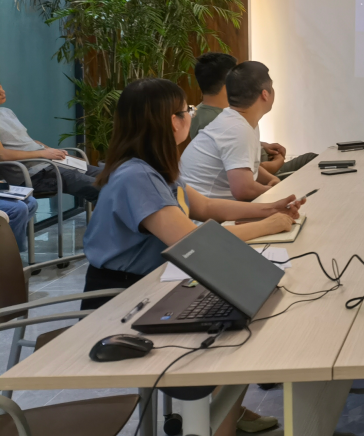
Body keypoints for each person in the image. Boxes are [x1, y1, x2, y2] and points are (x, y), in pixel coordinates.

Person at [81, 77, 304, 436]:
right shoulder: (136, 176)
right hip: (122, 299)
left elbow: (206, 207)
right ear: (172, 122)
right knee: (234, 332)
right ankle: (217, 420)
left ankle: (226, 412)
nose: (190, 115)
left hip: (155, 284)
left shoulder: (153, 166)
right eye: (187, 110)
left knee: (245, 309)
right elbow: (193, 241)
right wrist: (269, 225)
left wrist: (269, 209)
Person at [190, 53, 316, 176]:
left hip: (263, 166)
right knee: (312, 161)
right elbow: (245, 172)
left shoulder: (206, 113)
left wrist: (261, 145)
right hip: (266, 177)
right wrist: (277, 162)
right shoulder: (215, 122)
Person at [181, 61, 285, 201]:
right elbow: (244, 190)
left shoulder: (238, 120)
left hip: (211, 206)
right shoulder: (238, 129)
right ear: (265, 94)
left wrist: (271, 180)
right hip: (203, 212)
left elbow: (246, 166)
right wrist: (275, 192)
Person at [0, 82, 101, 202]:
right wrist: (43, 154)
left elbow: (26, 141)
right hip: (33, 174)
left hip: (49, 163)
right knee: (100, 187)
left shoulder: (6, 112)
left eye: (0, 86)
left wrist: (50, 150)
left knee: (107, 175)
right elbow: (3, 155)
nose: (2, 91)